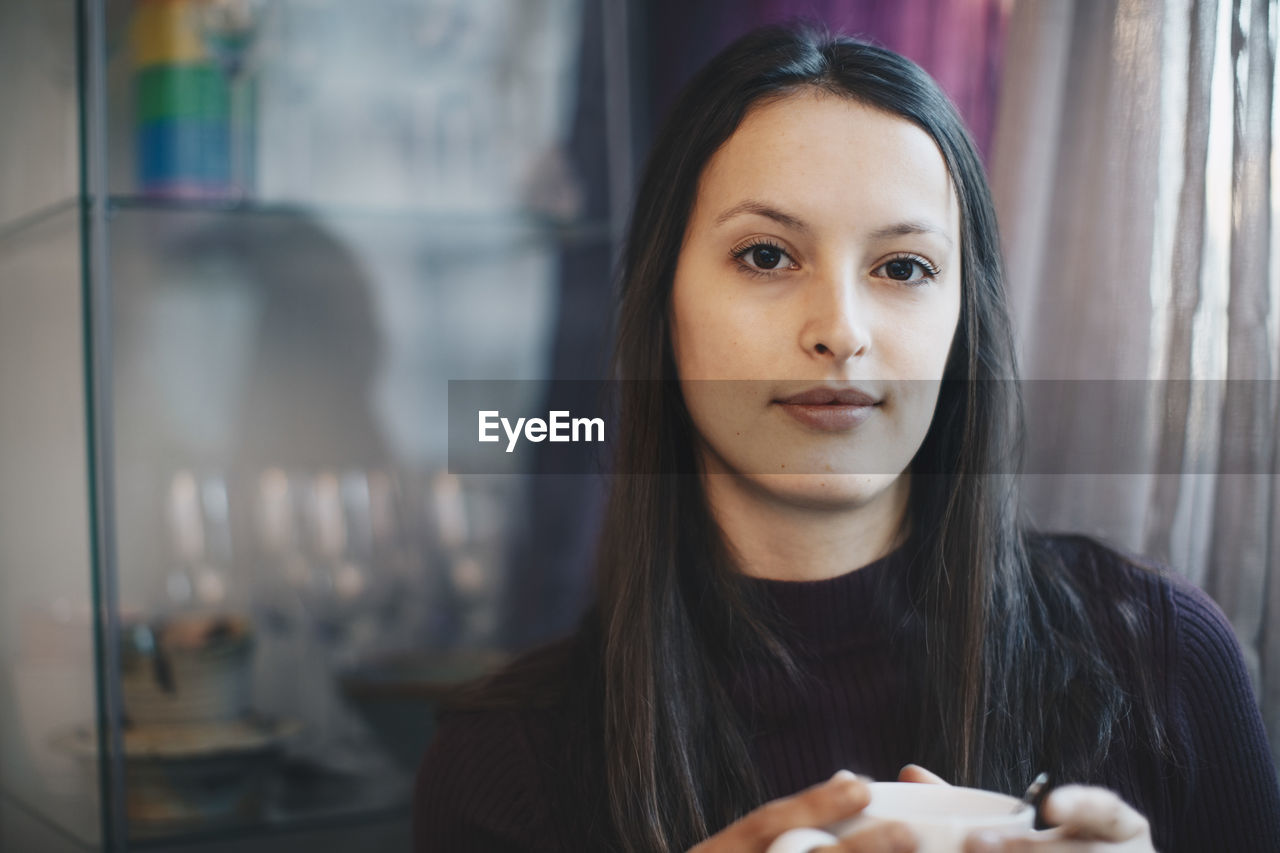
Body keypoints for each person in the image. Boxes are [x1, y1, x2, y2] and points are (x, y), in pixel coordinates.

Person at [412, 23, 1280, 853]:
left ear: (962, 323)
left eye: (903, 268)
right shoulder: (501, 765)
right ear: (662, 301)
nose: (841, 330)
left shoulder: (1164, 659)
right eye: (765, 256)